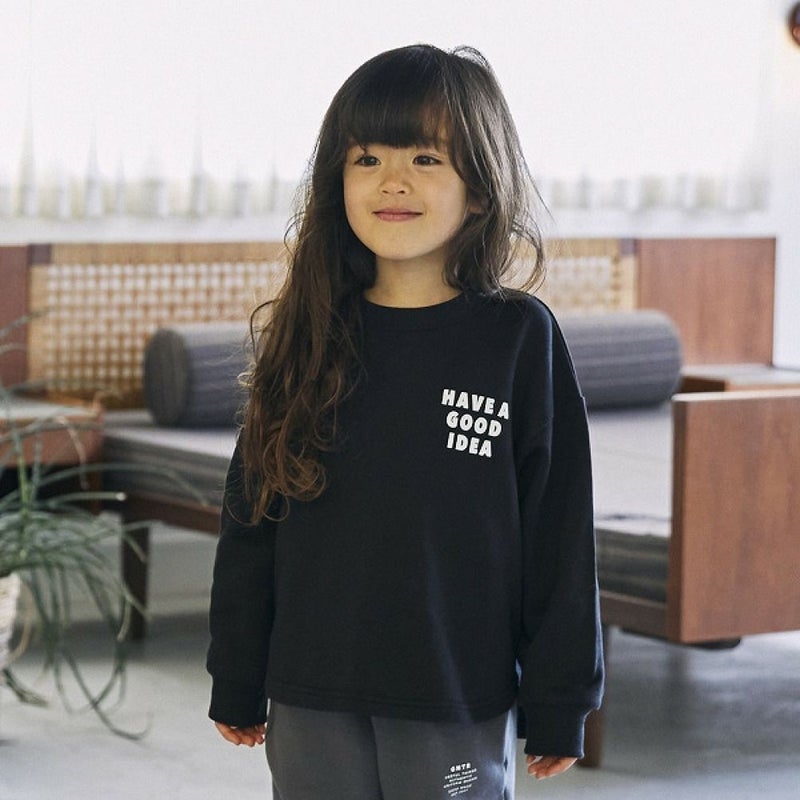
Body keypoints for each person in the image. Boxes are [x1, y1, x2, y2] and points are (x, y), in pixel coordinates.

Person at [207, 43, 604, 799]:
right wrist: (236, 670)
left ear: (479, 190)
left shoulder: (519, 338)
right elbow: (251, 519)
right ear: (337, 183)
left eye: (426, 158)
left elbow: (558, 530)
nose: (392, 181)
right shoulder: (306, 333)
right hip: (311, 690)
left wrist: (561, 698)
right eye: (366, 158)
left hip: (456, 693)